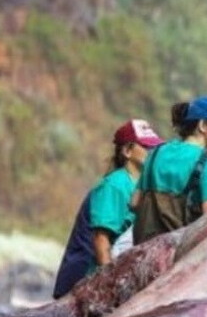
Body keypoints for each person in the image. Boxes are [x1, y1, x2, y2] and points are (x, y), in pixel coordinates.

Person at [53, 119, 165, 299]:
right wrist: (110, 287)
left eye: (154, 148)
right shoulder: (114, 185)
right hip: (87, 280)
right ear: (127, 151)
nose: (152, 152)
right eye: (146, 147)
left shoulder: (140, 185)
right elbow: (101, 239)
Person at [131, 96, 207, 244]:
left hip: (143, 249)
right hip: (178, 256)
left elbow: (134, 202)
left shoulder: (156, 153)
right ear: (203, 125)